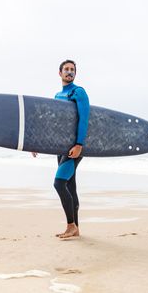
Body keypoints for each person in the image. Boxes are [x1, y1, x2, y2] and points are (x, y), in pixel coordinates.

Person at [32, 60, 90, 239]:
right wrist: (37, 143)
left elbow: (84, 118)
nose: (69, 72)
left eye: (72, 70)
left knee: (59, 183)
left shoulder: (78, 92)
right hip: (61, 148)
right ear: (60, 73)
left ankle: (71, 225)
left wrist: (79, 144)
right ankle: (76, 229)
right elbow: (53, 125)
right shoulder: (58, 95)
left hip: (74, 148)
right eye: (66, 69)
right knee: (70, 186)